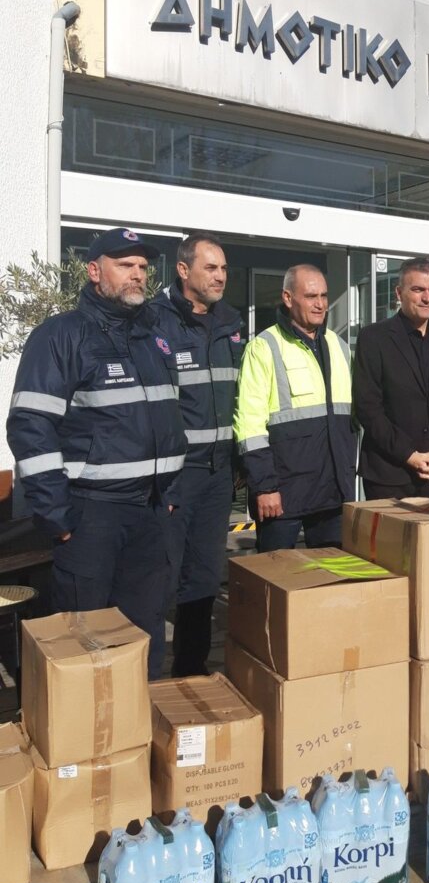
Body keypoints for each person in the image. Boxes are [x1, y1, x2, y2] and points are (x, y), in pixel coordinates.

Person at [6, 227, 186, 678]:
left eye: (142, 266)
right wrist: (57, 516)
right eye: (125, 265)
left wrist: (169, 493)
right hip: (91, 517)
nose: (137, 274)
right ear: (93, 271)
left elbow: (168, 421)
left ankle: (138, 721)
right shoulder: (60, 335)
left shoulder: (154, 338)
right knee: (84, 645)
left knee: (144, 641)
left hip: (150, 513)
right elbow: (30, 426)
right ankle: (85, 724)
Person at [152, 232, 243, 677]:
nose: (220, 276)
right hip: (175, 475)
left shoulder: (231, 324)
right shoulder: (155, 321)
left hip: (218, 474)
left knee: (204, 577)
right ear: (183, 270)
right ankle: (146, 677)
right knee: (160, 578)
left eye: (223, 268)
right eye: (211, 267)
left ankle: (191, 672)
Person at [233, 263, 355, 549]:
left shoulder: (338, 346)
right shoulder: (263, 347)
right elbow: (249, 426)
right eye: (311, 296)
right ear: (288, 298)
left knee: (331, 574)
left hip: (333, 491)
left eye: (324, 296)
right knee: (273, 573)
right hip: (282, 494)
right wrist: (265, 486)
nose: (320, 304)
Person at [352, 257, 429, 498]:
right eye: (418, 290)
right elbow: (368, 408)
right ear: (399, 293)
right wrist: (410, 455)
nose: (427, 298)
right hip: (388, 474)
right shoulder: (374, 338)